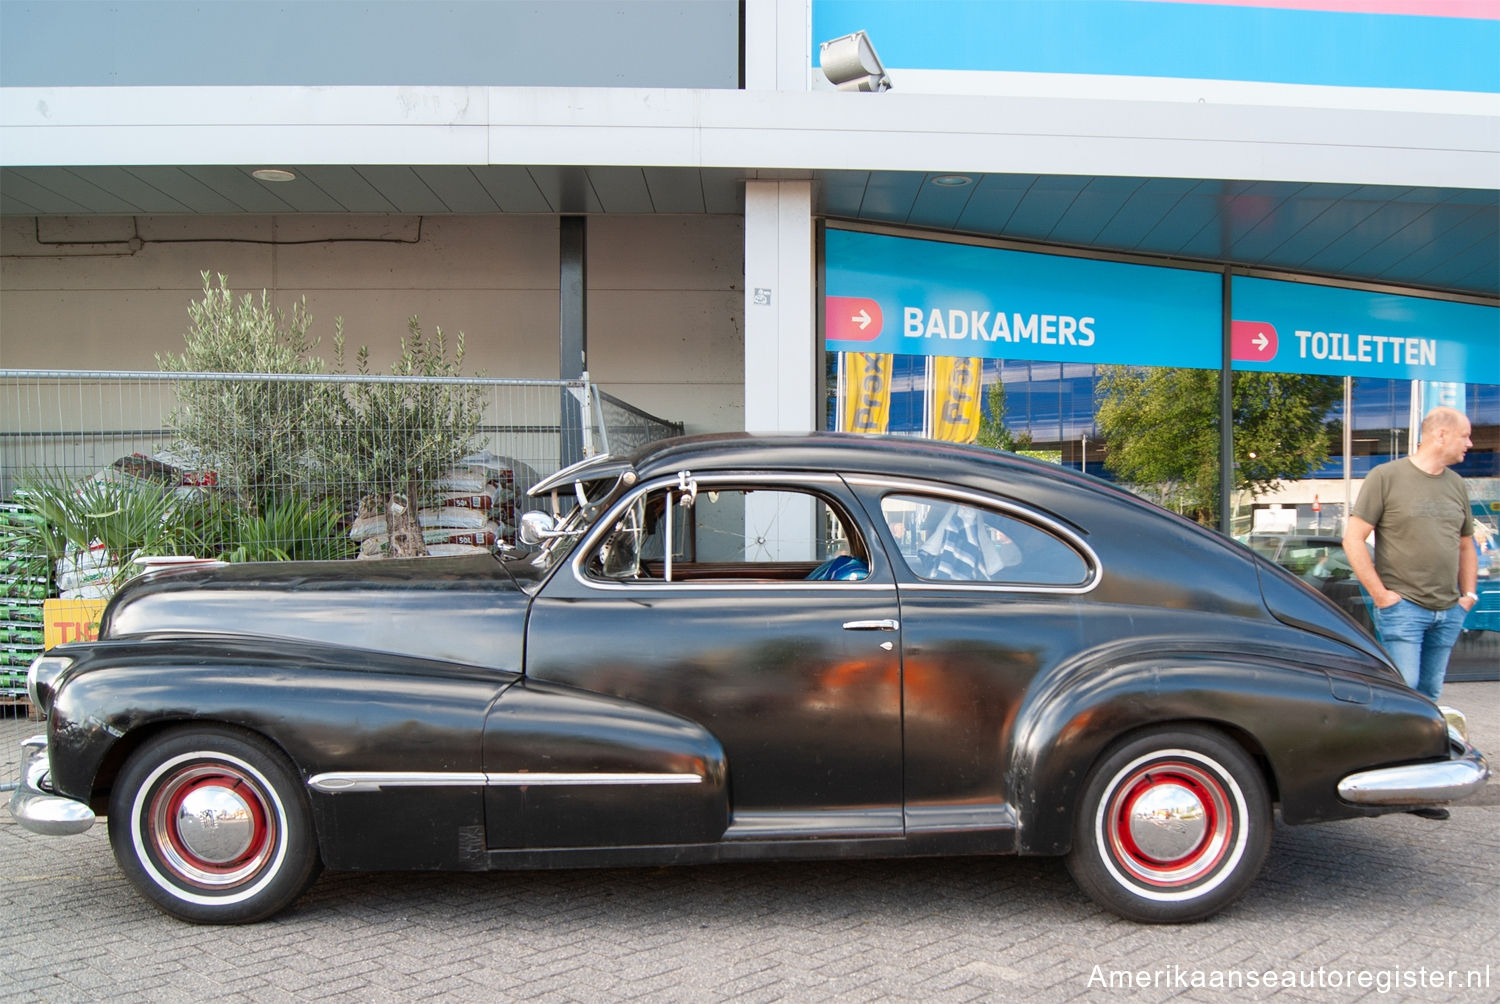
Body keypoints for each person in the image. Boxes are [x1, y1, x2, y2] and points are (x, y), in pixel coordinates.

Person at [1343, 406, 1478, 705]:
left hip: (1449, 609)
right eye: (1465, 436)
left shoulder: (1456, 484)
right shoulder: (1386, 477)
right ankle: (1389, 750)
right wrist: (1381, 596)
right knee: (1404, 691)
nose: (1469, 444)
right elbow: (1353, 539)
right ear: (1441, 435)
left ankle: (1422, 752)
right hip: (1404, 609)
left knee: (1429, 692)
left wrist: (1468, 595)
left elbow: (1466, 544)